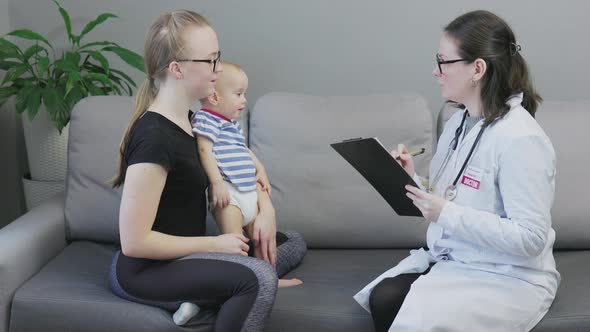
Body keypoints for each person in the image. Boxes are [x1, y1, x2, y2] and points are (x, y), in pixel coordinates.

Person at [355, 10, 560, 332]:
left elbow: (530, 238)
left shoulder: (522, 139)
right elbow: (454, 196)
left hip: (506, 274)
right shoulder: (459, 122)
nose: (435, 72)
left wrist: (444, 212)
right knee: (384, 296)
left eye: (443, 62)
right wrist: (413, 180)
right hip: (461, 260)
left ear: (477, 68)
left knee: (396, 306)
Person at [107, 10, 306, 331]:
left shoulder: (194, 121)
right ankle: (225, 288)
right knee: (258, 278)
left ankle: (206, 296)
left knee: (292, 241)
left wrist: (265, 209)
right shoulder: (155, 138)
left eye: (218, 58)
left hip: (188, 256)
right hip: (146, 271)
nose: (218, 70)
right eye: (210, 60)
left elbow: (242, 166)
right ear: (176, 69)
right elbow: (134, 243)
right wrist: (215, 245)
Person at [173, 61, 303, 324]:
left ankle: (269, 278)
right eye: (239, 93)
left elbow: (244, 151)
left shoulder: (230, 124)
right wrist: (217, 183)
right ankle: (199, 299)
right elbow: (204, 151)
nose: (244, 100)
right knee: (234, 247)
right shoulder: (206, 119)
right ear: (214, 96)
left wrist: (261, 169)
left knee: (261, 243)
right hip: (229, 196)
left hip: (248, 193)